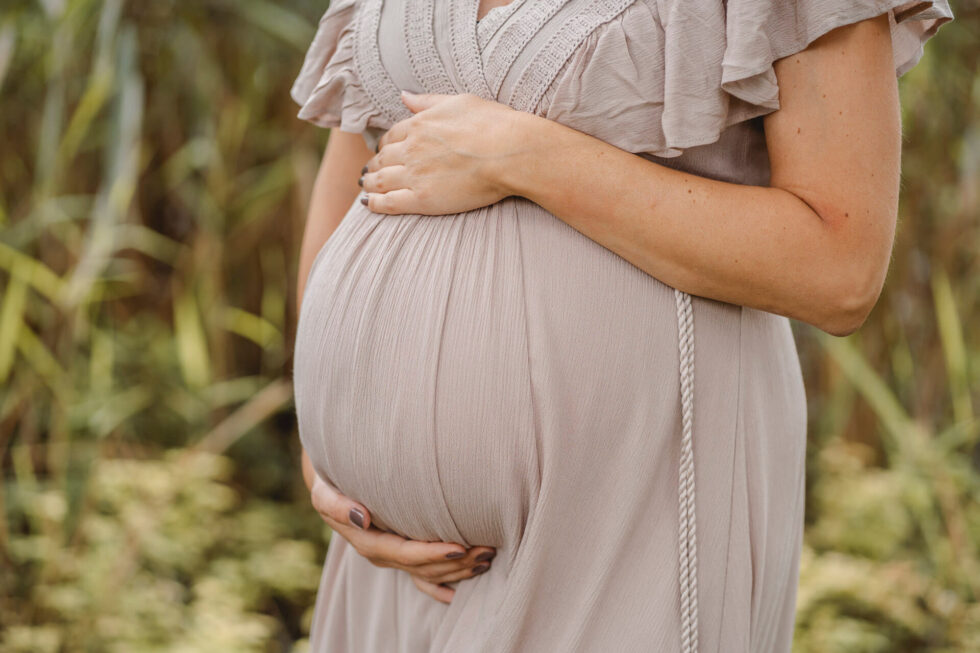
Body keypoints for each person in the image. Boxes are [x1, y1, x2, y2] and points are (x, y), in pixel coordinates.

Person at [290, 0, 953, 651]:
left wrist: (529, 159)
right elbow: (357, 165)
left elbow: (840, 269)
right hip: (384, 561)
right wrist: (325, 463)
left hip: (626, 515)